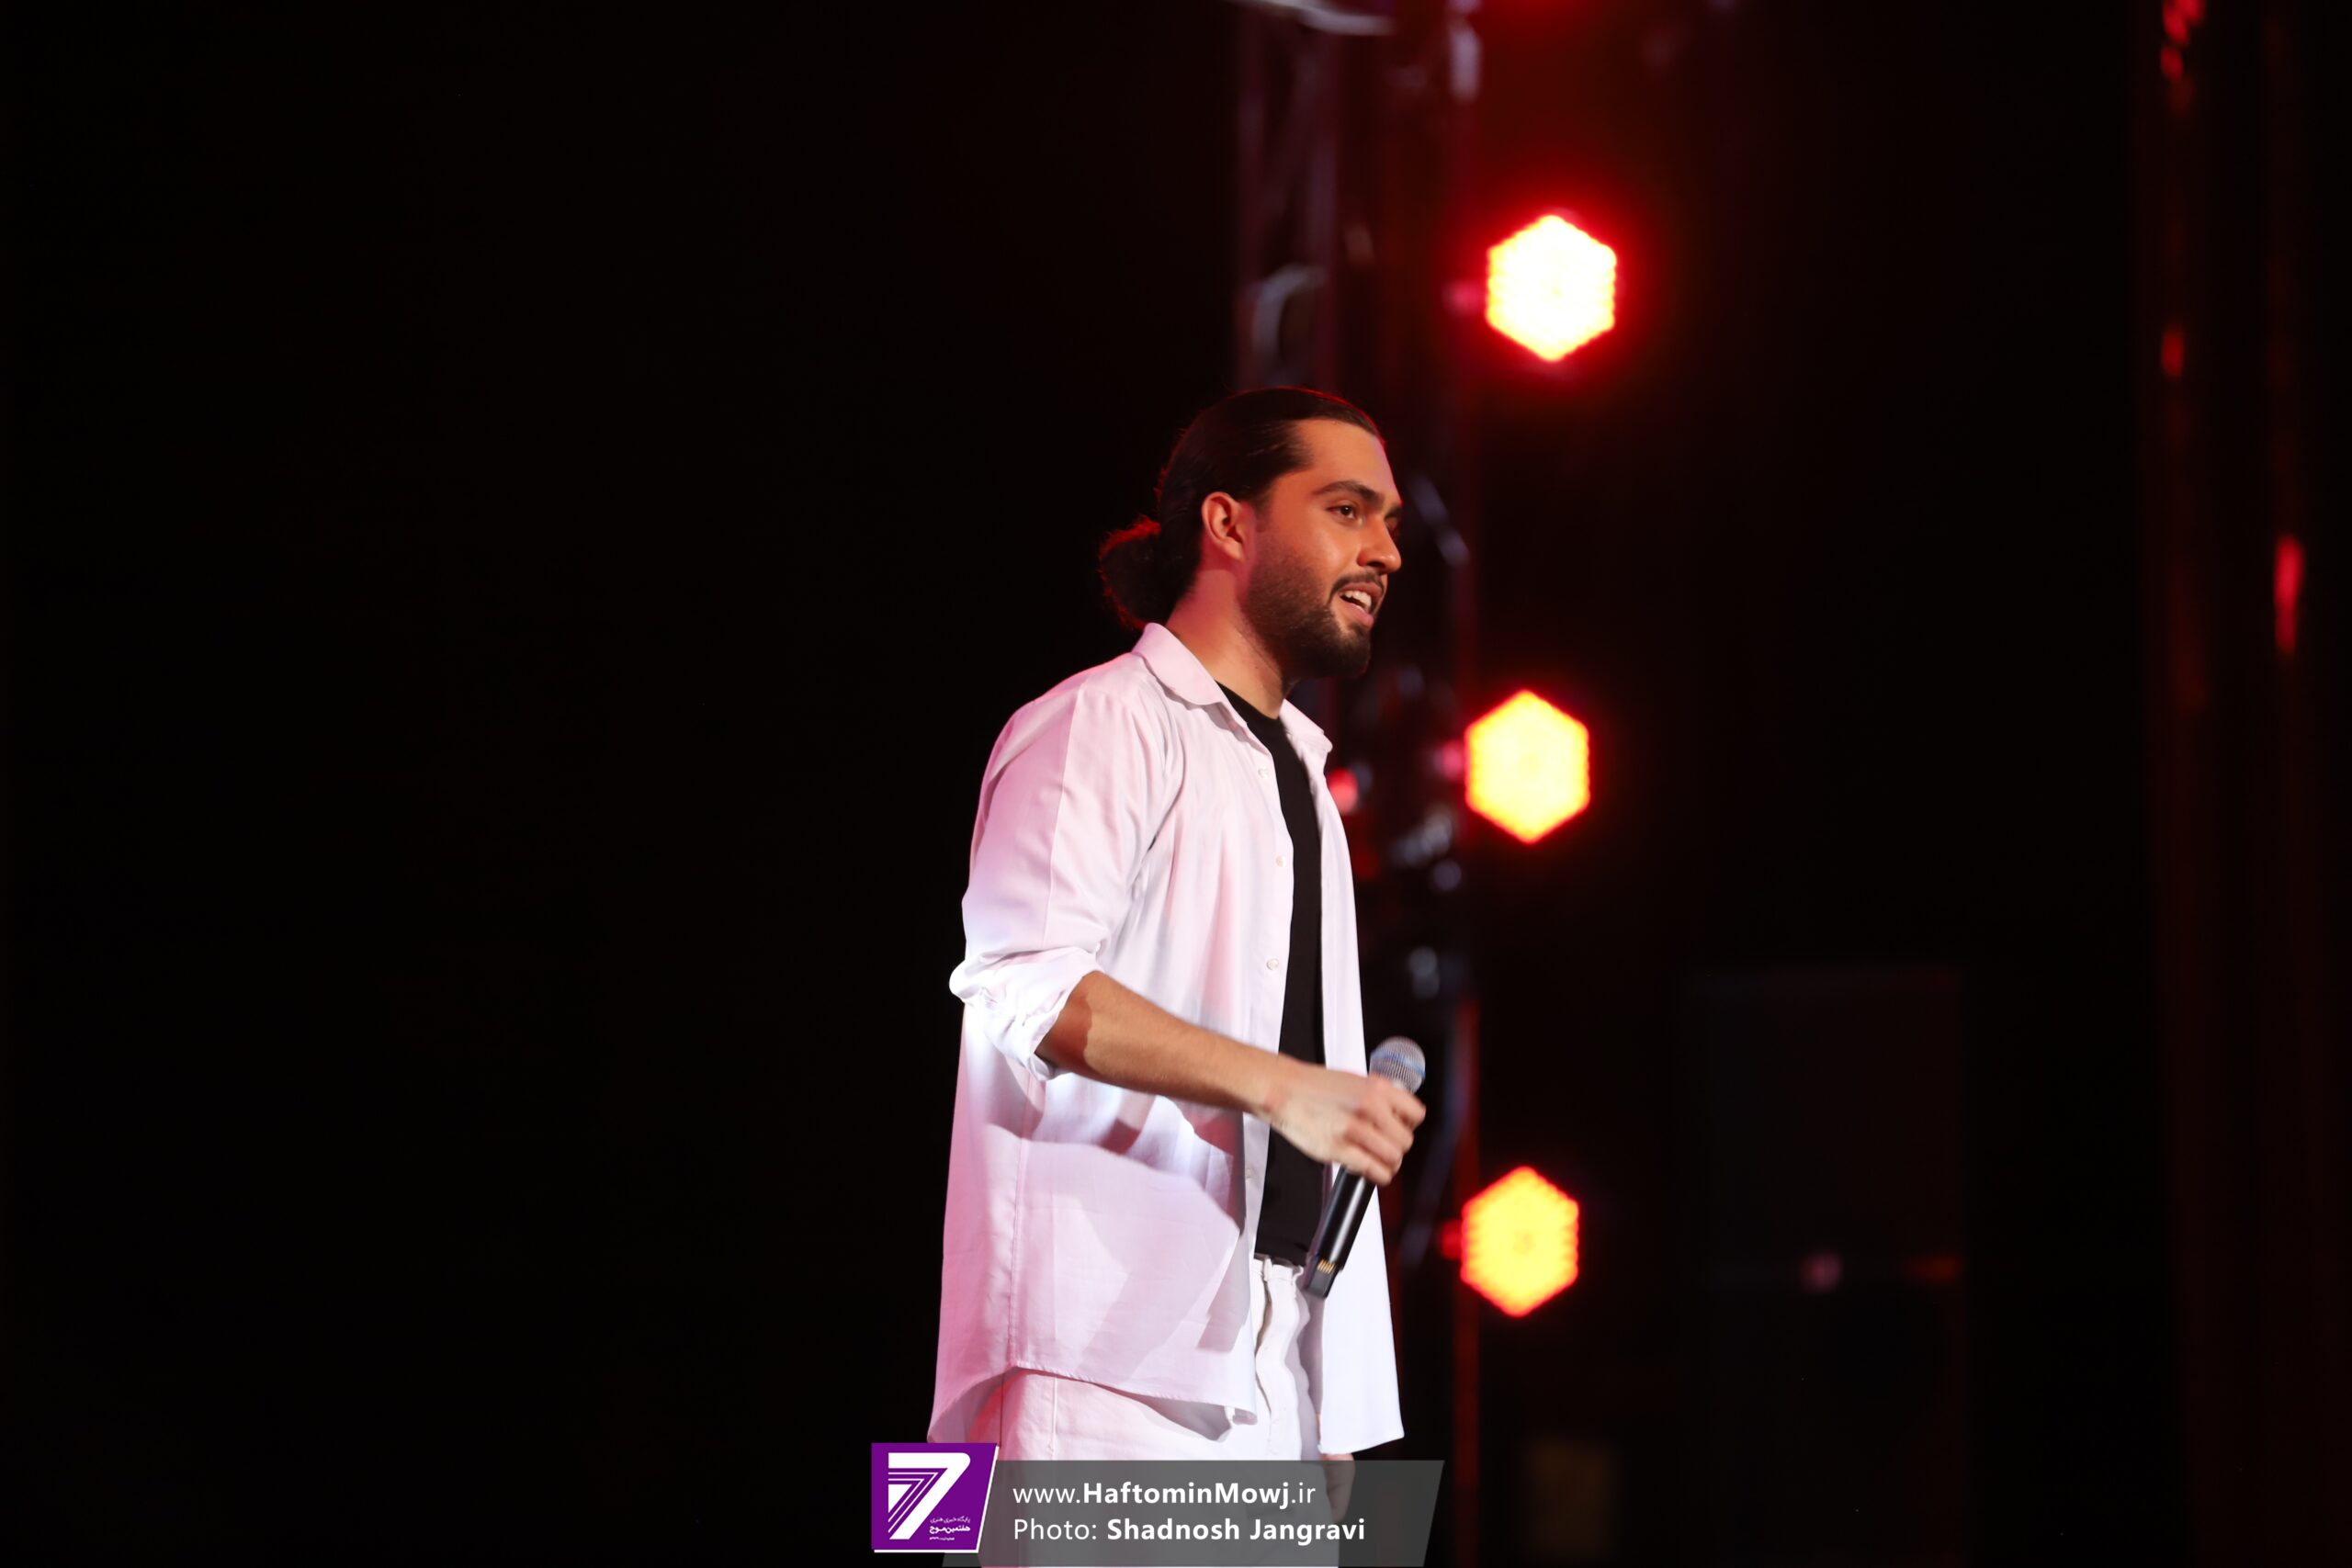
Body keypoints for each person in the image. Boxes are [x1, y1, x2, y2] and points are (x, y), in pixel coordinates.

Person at [929, 387, 1423, 1470]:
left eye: (1389, 521)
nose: (1386, 551)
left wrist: (1321, 1401)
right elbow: (1021, 979)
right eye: (1346, 510)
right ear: (1229, 523)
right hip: (1094, 1371)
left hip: (1275, 1376)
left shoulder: (1303, 773)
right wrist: (1282, 1086)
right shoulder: (1095, 722)